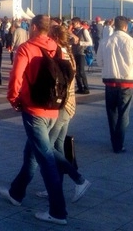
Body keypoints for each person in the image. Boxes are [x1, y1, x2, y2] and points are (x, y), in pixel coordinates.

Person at [0, 14, 68, 226]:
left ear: (36, 27)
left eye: (30, 26)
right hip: (53, 108)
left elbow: (16, 77)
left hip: (34, 109)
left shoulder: (26, 48)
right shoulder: (57, 47)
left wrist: (13, 99)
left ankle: (58, 211)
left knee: (46, 160)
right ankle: (16, 193)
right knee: (31, 152)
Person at [35, 23, 91, 201]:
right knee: (58, 147)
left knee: (47, 148)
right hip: (69, 105)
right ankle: (55, 186)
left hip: (62, 106)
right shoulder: (68, 52)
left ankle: (79, 180)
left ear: (55, 37)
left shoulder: (59, 52)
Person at [97, 16, 133, 153]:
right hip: (126, 82)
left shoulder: (105, 41)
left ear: (115, 26)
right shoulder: (131, 42)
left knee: (112, 113)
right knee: (123, 114)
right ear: (125, 27)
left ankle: (114, 141)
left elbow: (99, 62)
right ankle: (119, 143)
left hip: (109, 81)